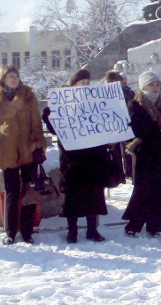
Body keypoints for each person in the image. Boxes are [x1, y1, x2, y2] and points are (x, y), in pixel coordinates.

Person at [43, 69, 108, 244]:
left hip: (93, 158)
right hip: (73, 159)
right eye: (82, 83)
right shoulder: (64, 105)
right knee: (73, 197)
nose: (86, 86)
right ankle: (72, 231)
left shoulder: (96, 103)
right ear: (73, 86)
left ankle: (92, 230)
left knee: (93, 195)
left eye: (88, 82)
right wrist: (50, 113)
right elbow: (54, 127)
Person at [0, 65, 46, 245]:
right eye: (10, 76)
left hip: (28, 148)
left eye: (16, 76)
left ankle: (27, 232)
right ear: (2, 79)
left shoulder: (28, 94)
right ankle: (10, 232)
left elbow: (36, 121)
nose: (14, 79)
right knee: (12, 193)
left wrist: (38, 143)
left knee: (29, 192)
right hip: (8, 149)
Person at [122, 71, 161, 237]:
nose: (155, 88)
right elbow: (130, 130)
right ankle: (134, 225)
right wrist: (138, 142)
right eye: (151, 84)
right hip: (147, 155)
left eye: (157, 84)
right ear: (143, 86)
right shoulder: (135, 105)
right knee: (144, 191)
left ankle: (155, 226)